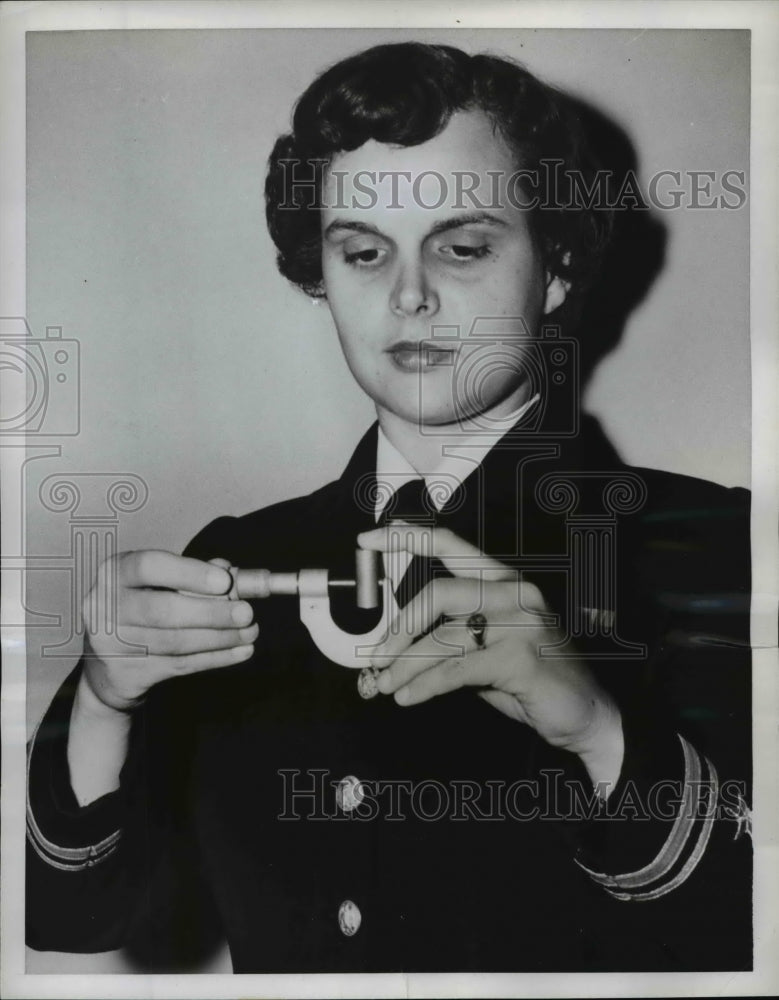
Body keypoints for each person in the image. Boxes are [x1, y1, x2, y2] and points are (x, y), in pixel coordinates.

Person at [26, 42, 751, 973]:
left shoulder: (712, 547)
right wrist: (99, 702)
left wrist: (596, 731)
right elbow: (77, 920)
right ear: (319, 276)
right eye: (364, 253)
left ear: (558, 266)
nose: (409, 297)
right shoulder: (231, 561)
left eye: (463, 246)